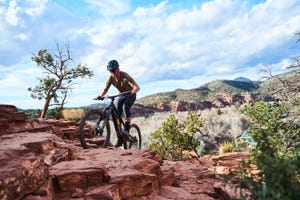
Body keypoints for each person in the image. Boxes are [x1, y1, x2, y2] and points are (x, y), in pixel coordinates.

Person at [97, 60, 140, 147]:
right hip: (121, 96)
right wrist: (101, 96)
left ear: (118, 69)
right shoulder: (111, 78)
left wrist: (131, 92)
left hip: (130, 95)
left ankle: (127, 130)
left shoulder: (125, 76)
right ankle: (120, 138)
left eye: (114, 70)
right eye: (110, 71)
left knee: (125, 107)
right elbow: (106, 89)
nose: (112, 73)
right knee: (117, 115)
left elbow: (137, 87)